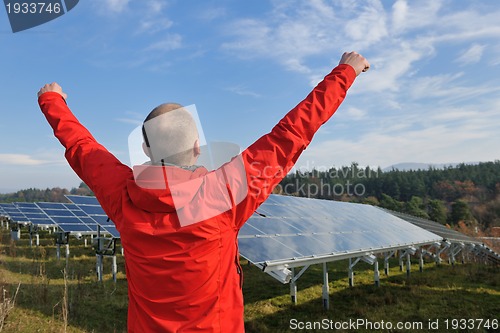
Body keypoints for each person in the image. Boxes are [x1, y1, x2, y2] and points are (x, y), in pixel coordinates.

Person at [38, 51, 369, 332]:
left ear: (145, 150)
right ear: (197, 148)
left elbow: (81, 148)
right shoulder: (222, 194)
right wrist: (345, 72)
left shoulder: (121, 194)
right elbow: (292, 132)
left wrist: (52, 100)